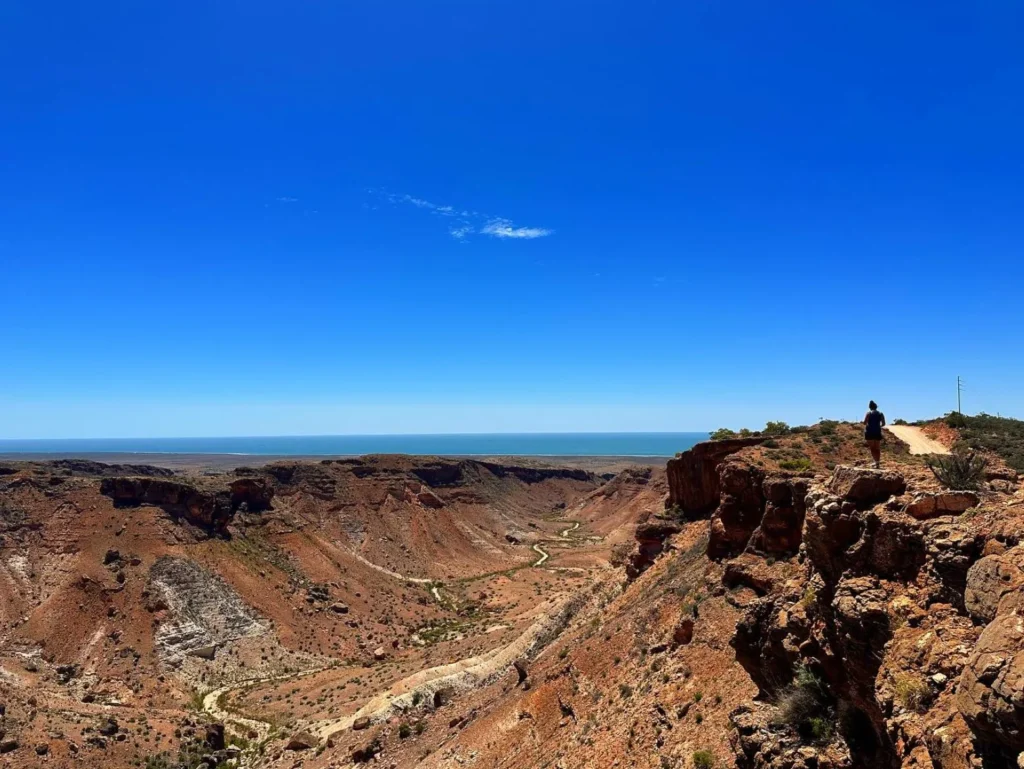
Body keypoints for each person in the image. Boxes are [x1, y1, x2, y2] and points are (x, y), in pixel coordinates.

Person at [863, 400, 886, 468]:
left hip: (869, 432)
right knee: (877, 448)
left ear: (870, 407)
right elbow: (884, 423)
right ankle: (877, 463)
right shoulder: (881, 413)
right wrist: (878, 426)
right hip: (877, 432)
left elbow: (865, 422)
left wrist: (869, 425)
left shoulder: (868, 413)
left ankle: (875, 462)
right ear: (876, 407)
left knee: (872, 448)